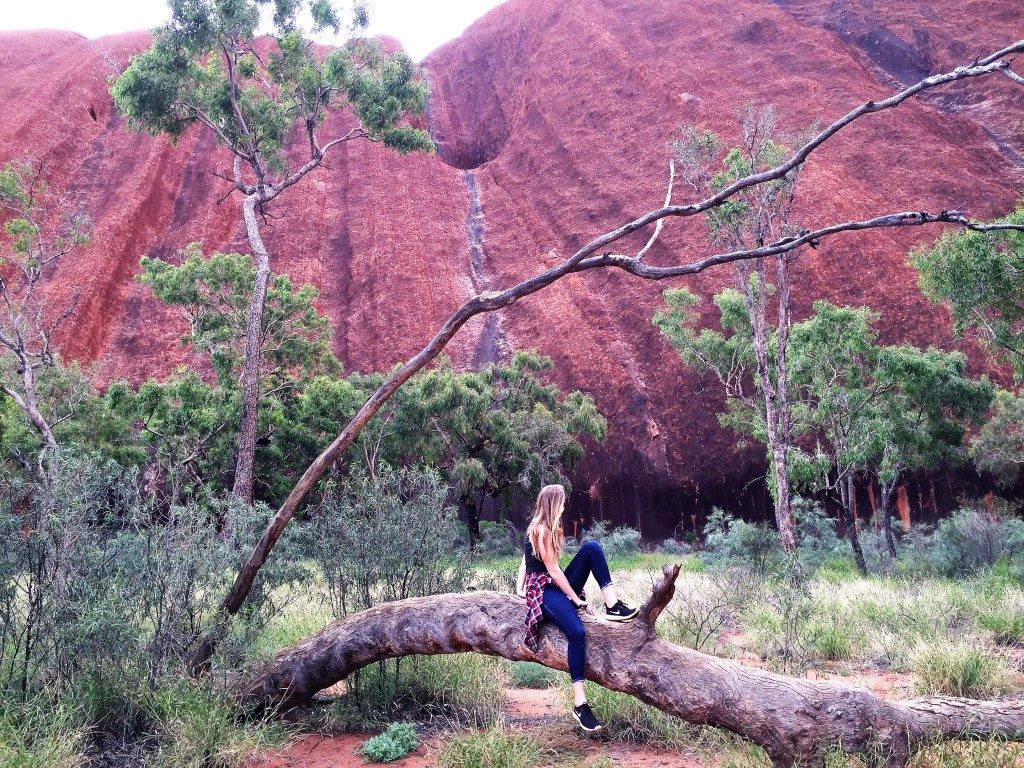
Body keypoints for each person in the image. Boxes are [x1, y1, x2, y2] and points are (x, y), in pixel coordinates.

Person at [515, 484, 638, 733]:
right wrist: (576, 599)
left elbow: (525, 558)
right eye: (561, 502)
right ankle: (581, 705)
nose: (563, 506)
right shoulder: (540, 528)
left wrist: (519, 586)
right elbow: (550, 570)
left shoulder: (541, 526)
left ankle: (612, 604)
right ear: (553, 504)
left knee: (591, 547)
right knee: (577, 633)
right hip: (544, 589)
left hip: (551, 583)